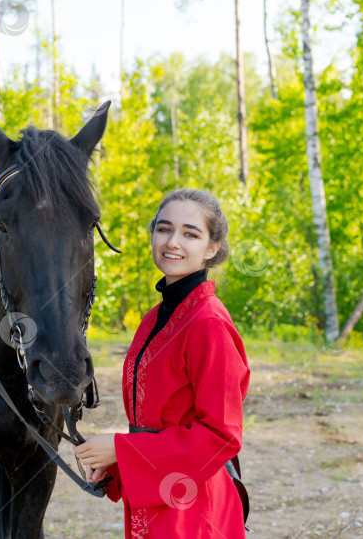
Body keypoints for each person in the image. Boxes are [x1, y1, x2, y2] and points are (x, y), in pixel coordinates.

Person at [74, 189, 251, 538]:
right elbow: (154, 421)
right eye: (164, 228)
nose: (173, 242)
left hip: (194, 510)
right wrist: (117, 463)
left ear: (212, 247)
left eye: (190, 233)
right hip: (156, 501)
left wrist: (122, 449)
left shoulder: (208, 324)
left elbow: (221, 435)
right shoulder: (156, 318)